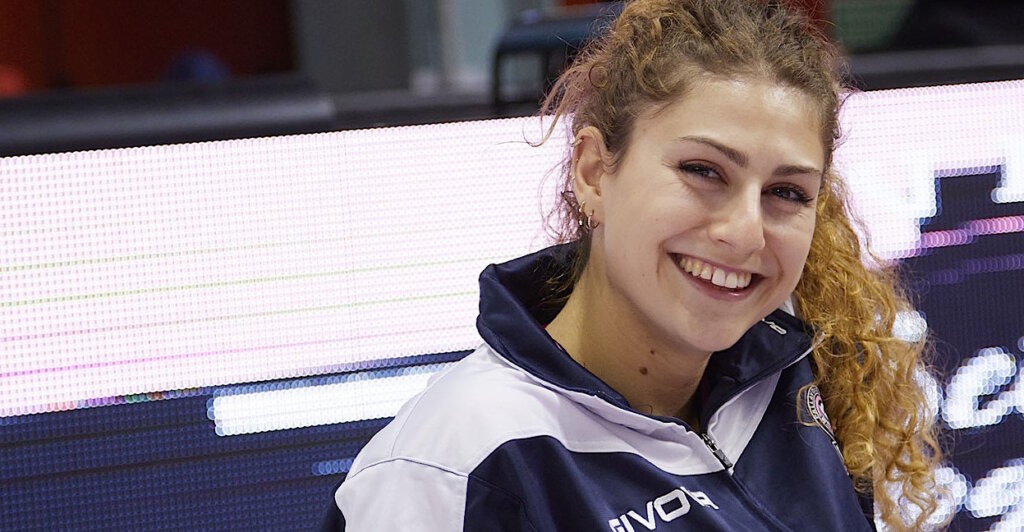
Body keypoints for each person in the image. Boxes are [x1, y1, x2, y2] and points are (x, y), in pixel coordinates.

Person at [323, 0, 945, 530]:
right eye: (703, 171)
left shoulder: (800, 368)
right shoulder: (451, 467)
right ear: (593, 171)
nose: (744, 233)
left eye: (787, 192)